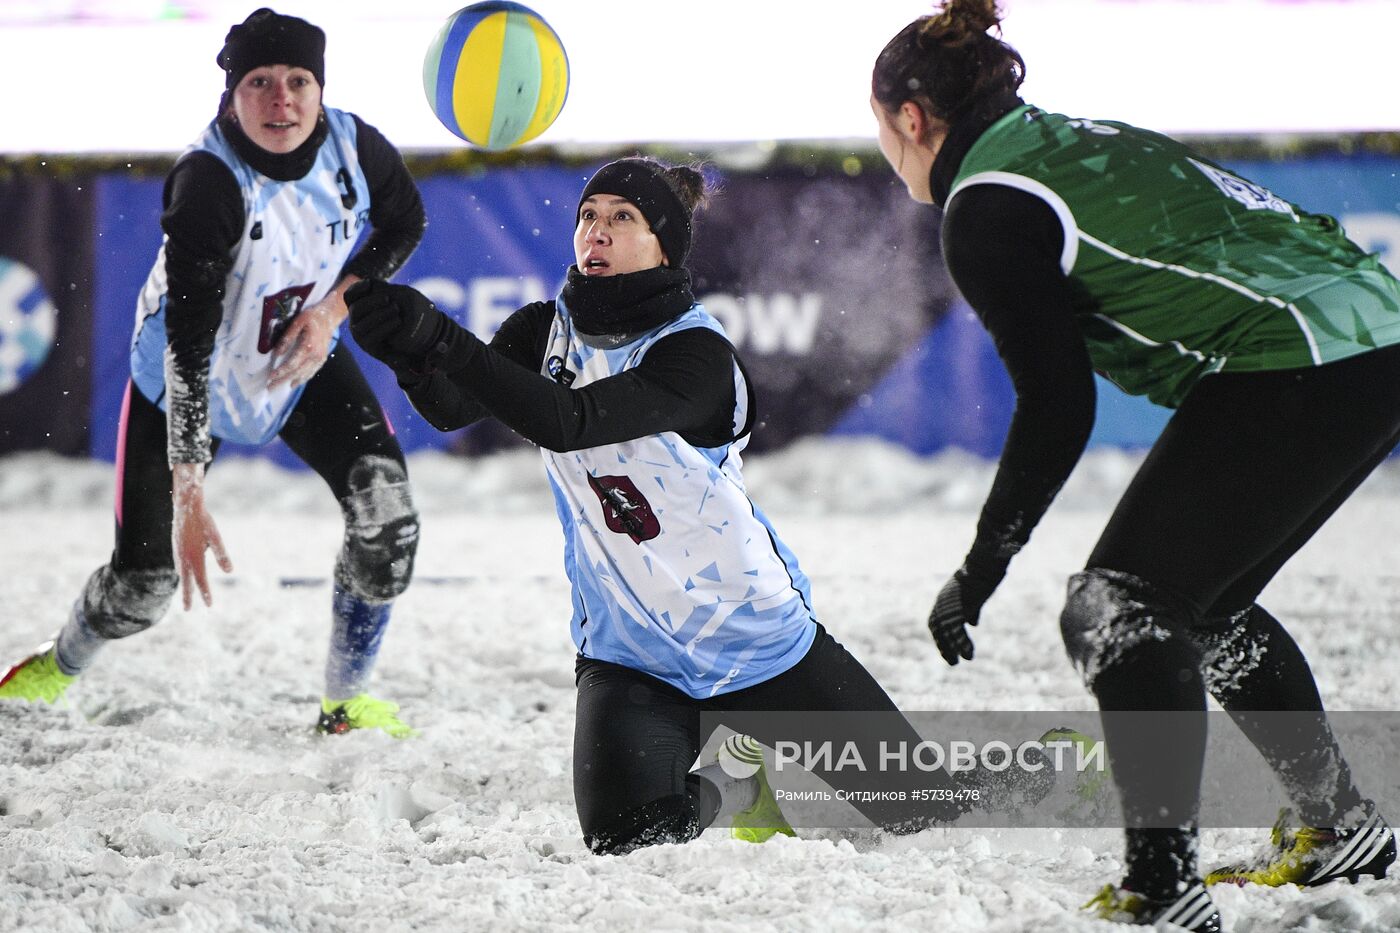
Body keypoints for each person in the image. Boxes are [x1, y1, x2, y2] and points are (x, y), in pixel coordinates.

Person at [343, 156, 1062, 852]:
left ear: (663, 245)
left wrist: (440, 334)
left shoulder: (697, 355)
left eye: (621, 218)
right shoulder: (545, 329)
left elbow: (571, 419)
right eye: (587, 215)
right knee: (626, 834)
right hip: (629, 654)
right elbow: (450, 408)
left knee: (924, 810)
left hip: (754, 639)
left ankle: (1033, 768)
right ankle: (744, 783)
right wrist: (406, 351)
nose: (595, 231)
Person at [870, 1, 1397, 928]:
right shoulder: (1065, 139)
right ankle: (1336, 824)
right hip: (1367, 332)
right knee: (1199, 605)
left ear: (910, 120)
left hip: (1309, 350)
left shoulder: (986, 203)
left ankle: (1161, 888)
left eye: (878, 129)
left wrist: (983, 563)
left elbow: (1059, 403)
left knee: (1117, 604)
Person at [0, 8, 426, 738]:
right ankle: (57, 664)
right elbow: (190, 341)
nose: (281, 98)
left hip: (295, 359)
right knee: (142, 590)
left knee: (388, 524)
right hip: (185, 378)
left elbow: (404, 222)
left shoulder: (356, 147)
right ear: (232, 95)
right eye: (260, 82)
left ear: (321, 90)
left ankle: (344, 705)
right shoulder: (208, 181)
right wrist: (189, 482)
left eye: (298, 81)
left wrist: (331, 313)